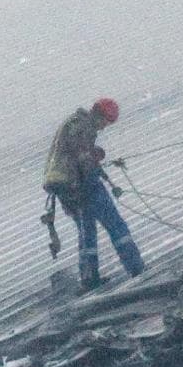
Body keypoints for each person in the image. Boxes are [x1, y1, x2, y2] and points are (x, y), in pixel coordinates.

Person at [42, 98, 145, 291]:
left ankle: (89, 278)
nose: (105, 127)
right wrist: (96, 164)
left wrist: (94, 154)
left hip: (64, 188)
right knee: (115, 225)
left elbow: (72, 152)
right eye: (106, 122)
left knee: (86, 231)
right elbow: (82, 158)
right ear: (100, 116)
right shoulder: (84, 126)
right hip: (81, 185)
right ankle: (136, 267)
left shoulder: (73, 123)